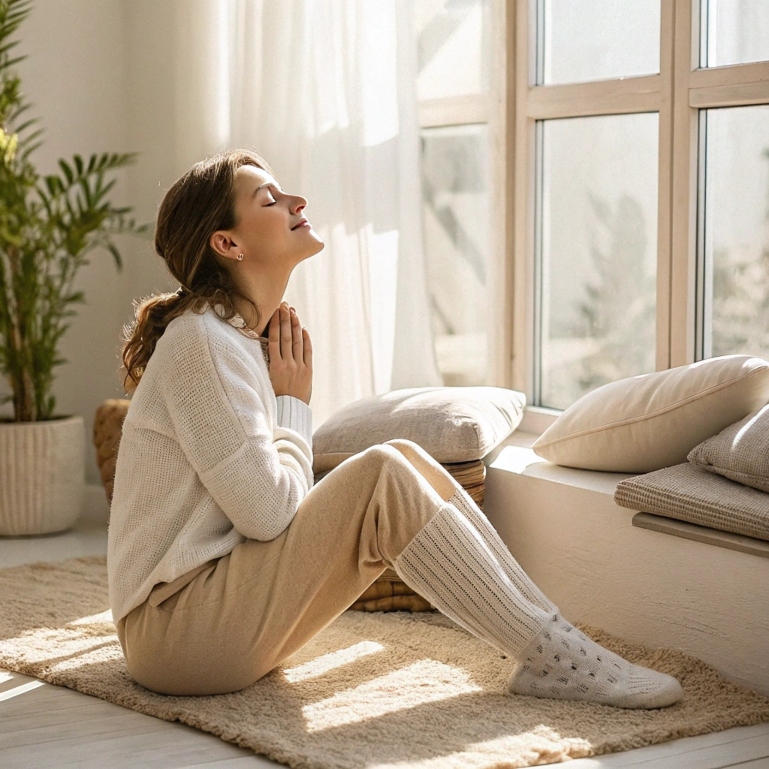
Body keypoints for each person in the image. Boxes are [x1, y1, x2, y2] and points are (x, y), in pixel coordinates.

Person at [108, 148, 683, 708]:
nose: (296, 200)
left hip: (205, 619)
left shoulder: (227, 338)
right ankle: (555, 656)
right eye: (270, 199)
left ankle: (554, 648)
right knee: (384, 472)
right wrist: (293, 404)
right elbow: (268, 515)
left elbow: (266, 510)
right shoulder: (202, 343)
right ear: (228, 243)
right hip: (174, 635)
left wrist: (288, 405)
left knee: (403, 455)